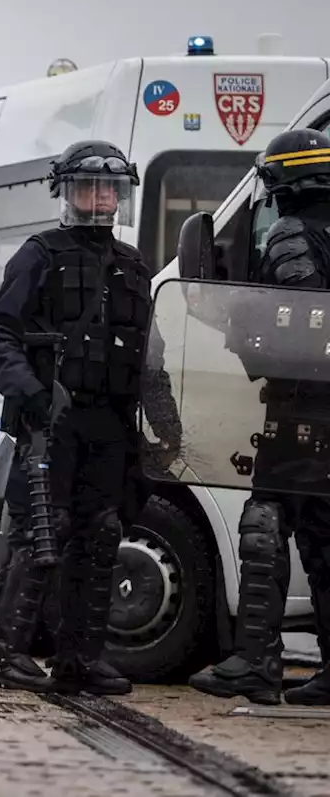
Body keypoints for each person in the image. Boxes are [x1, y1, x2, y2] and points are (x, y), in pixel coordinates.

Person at [0, 140, 162, 695]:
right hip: (51, 423)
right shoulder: (39, 253)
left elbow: (153, 353)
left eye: (109, 188)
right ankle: (1, 650)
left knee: (101, 534)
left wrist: (163, 426)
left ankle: (80, 657)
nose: (100, 198)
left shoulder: (133, 264)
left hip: (110, 426)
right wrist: (32, 394)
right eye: (88, 187)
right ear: (67, 191)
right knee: (40, 533)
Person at [187, 128, 330, 706]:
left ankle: (256, 662)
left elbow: (298, 319)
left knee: (265, 524)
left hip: (302, 406)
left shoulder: (292, 233)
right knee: (325, 536)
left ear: (281, 183)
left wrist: (235, 327)